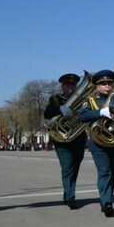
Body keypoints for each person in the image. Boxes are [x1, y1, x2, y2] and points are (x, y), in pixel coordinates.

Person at [78, 69, 114, 220]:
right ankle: (107, 203)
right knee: (105, 172)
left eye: (109, 83)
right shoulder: (90, 100)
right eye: (103, 84)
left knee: (113, 173)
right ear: (97, 86)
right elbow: (83, 115)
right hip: (98, 142)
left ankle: (107, 197)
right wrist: (100, 113)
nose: (107, 86)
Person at [43, 73, 88, 209]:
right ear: (62, 86)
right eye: (67, 85)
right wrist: (59, 109)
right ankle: (71, 197)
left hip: (78, 139)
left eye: (73, 85)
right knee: (67, 168)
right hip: (62, 141)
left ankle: (67, 192)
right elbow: (47, 113)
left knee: (75, 168)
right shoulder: (56, 99)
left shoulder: (83, 100)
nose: (70, 87)